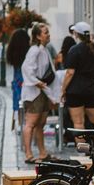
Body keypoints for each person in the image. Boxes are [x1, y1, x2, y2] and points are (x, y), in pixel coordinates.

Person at [61, 21, 94, 136]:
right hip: (91, 89)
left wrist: (63, 89)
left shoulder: (74, 50)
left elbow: (70, 73)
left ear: (76, 34)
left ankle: (82, 152)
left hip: (75, 91)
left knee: (79, 124)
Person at [19, 23, 56, 163]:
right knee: (31, 123)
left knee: (41, 123)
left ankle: (42, 153)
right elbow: (26, 68)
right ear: (38, 36)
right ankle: (28, 154)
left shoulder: (43, 50)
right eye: (46, 32)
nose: (48, 34)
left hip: (42, 91)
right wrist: (36, 82)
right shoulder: (34, 50)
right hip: (34, 92)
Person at [7, 28, 32, 122]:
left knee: (19, 109)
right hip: (27, 84)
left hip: (17, 83)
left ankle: (21, 129)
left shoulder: (13, 53)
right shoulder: (29, 54)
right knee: (28, 111)